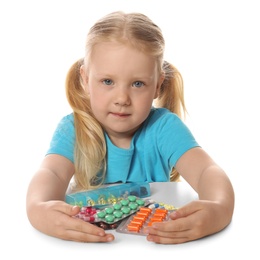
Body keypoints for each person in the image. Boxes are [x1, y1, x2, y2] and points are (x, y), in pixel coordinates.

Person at [26, 11, 235, 244]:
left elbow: (207, 171)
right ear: (85, 79)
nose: (122, 98)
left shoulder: (164, 128)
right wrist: (38, 209)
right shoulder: (74, 129)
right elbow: (51, 173)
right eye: (108, 81)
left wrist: (219, 208)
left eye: (138, 84)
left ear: (157, 86)